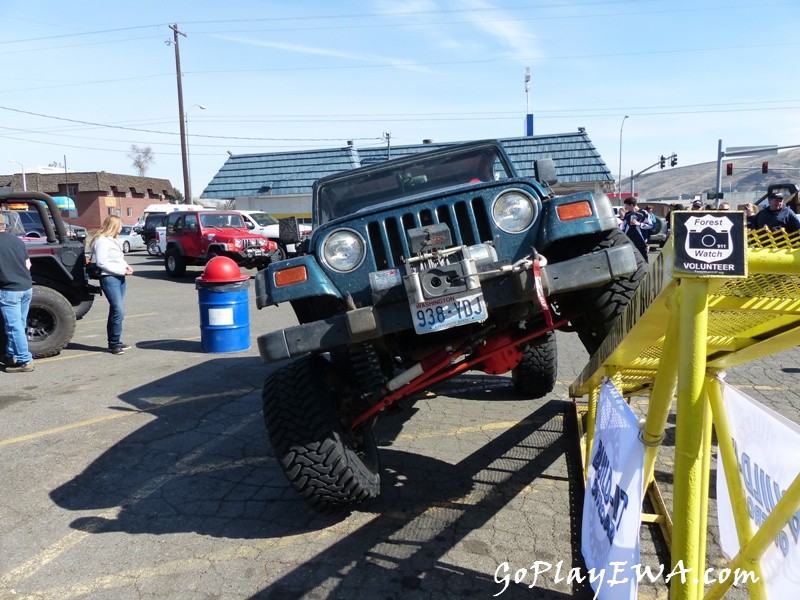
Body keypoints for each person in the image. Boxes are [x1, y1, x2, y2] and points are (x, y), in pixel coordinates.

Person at [90, 216, 134, 354]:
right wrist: (121, 270)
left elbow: (119, 259)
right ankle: (114, 344)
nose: (121, 228)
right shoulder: (102, 241)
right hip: (109, 278)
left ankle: (115, 341)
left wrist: (127, 267)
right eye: (120, 225)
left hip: (120, 278)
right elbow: (101, 262)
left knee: (115, 310)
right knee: (118, 310)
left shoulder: (115, 240)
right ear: (113, 226)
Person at [0, 212, 35, 372]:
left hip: (9, 290)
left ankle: (25, 360)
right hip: (26, 287)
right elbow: (28, 265)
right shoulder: (17, 241)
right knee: (19, 324)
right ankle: (11, 355)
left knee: (14, 327)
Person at [620, 197, 649, 262]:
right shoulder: (627, 214)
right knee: (631, 259)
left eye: (627, 205)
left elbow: (650, 225)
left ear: (632, 205)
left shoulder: (644, 213)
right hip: (629, 240)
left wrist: (639, 224)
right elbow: (623, 226)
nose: (626, 207)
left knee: (644, 259)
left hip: (640, 240)